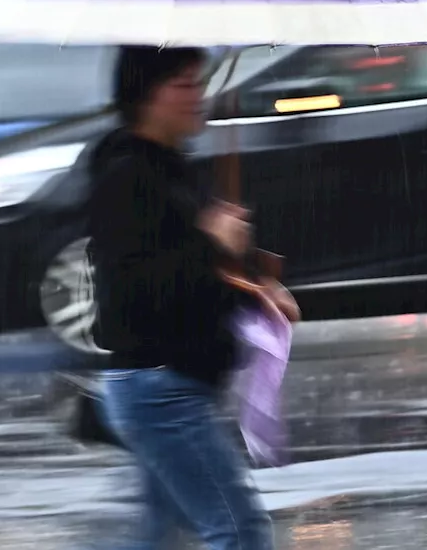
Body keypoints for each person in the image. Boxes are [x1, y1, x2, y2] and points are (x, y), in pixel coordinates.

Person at [87, 46, 300, 550]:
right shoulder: (127, 178)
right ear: (145, 95)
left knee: (158, 538)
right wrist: (213, 244)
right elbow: (137, 293)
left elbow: (197, 276)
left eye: (199, 82)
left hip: (167, 386)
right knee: (240, 530)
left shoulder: (169, 168)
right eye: (184, 85)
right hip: (160, 388)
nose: (199, 96)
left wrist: (258, 290)